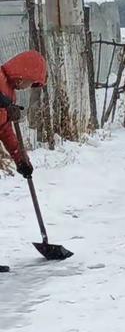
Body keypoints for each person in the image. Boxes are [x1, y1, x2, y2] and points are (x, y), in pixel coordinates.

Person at [0, 50, 47, 273]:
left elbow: (5, 130)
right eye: (31, 82)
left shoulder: (10, 93)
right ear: (22, 73)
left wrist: (20, 159)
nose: (29, 87)